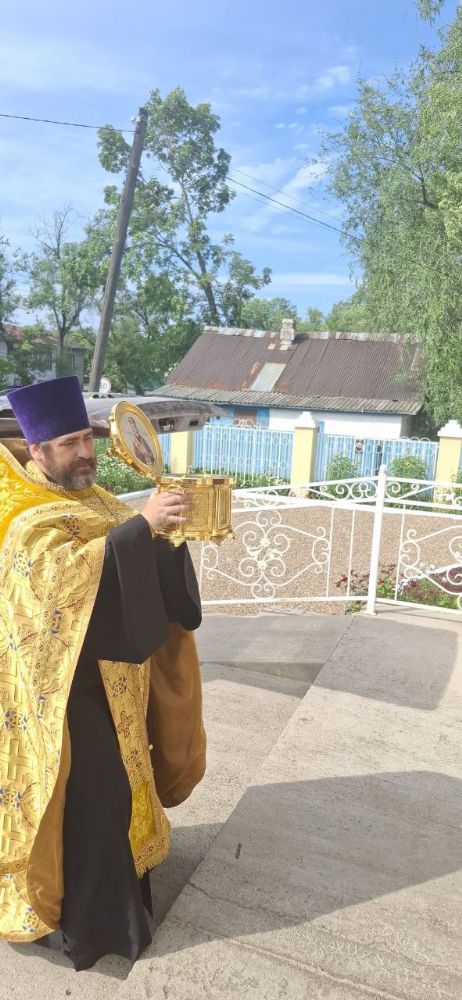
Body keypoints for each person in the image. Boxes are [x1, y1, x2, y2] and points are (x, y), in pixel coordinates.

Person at [0, 376, 206, 971]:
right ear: (37, 451)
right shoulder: (26, 518)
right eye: (68, 444)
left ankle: (124, 910)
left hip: (115, 682)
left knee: (119, 794)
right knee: (91, 800)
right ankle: (86, 932)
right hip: (59, 697)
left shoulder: (100, 501)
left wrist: (162, 532)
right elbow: (57, 585)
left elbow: (126, 556)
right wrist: (140, 527)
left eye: (86, 439)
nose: (84, 453)